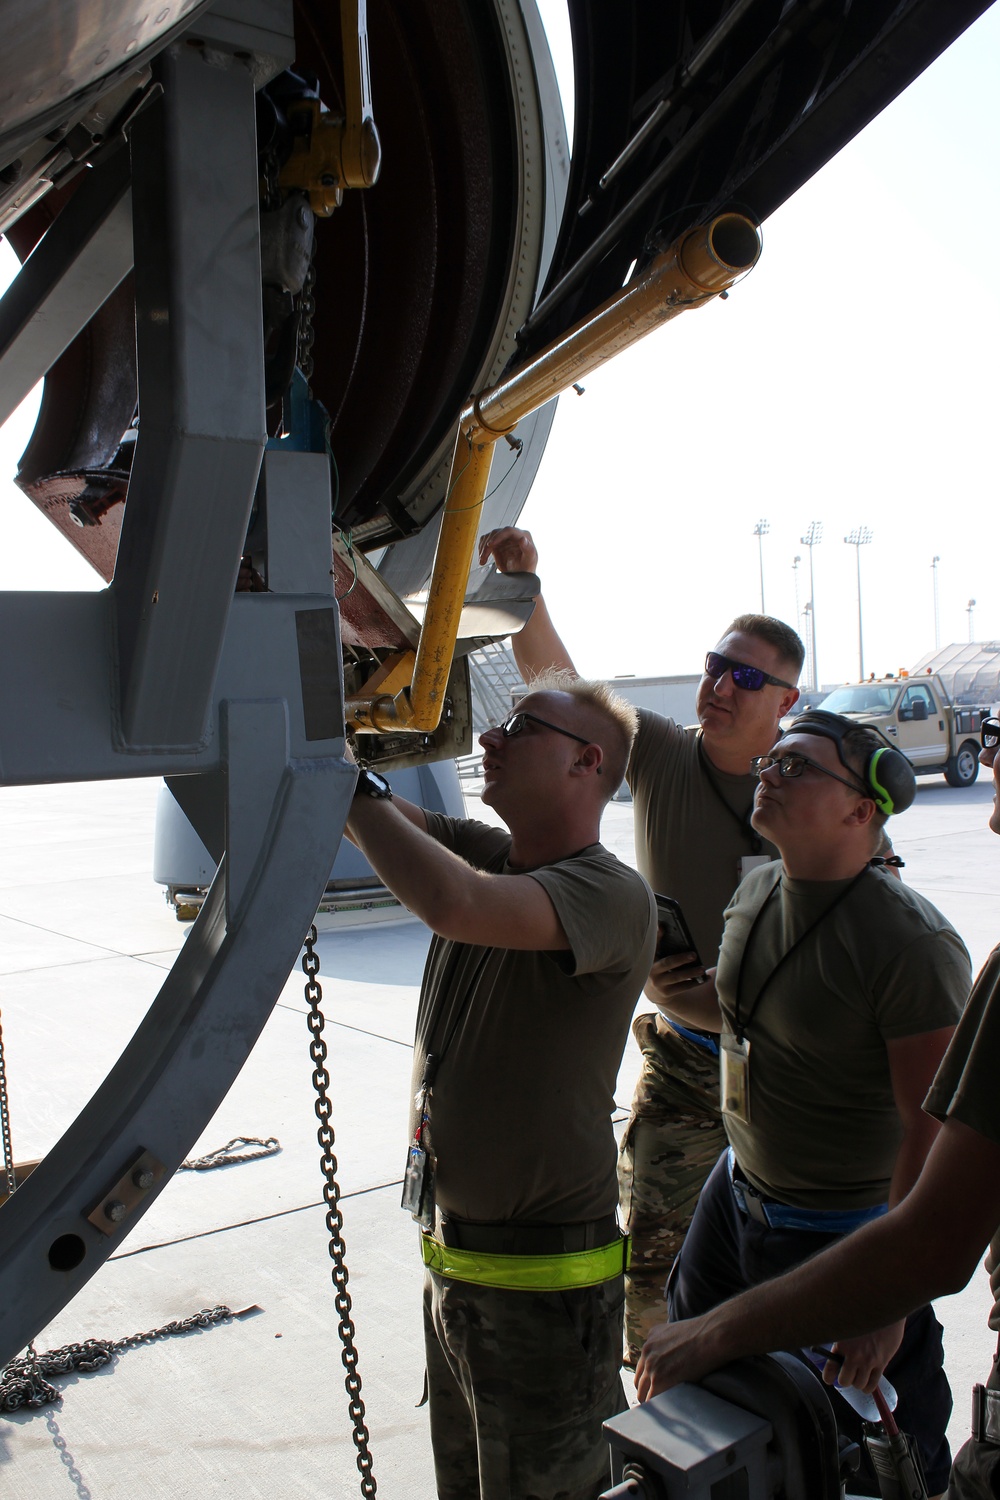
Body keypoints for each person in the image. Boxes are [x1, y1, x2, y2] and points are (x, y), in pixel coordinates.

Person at [478, 525, 803, 1363]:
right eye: (711, 665)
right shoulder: (661, 753)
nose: (717, 686)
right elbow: (565, 686)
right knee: (653, 1265)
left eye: (744, 676)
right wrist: (527, 588)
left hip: (794, 1073)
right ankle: (661, 1437)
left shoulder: (813, 788)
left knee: (790, 1270)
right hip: (690, 1063)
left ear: (785, 701)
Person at [644, 709, 971, 1497]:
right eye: (770, 762)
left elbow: (928, 1136)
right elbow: (751, 1021)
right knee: (699, 1408)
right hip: (738, 1195)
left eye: (797, 768)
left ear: (863, 811)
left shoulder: (910, 945)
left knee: (870, 1463)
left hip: (844, 1233)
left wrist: (890, 1296)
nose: (769, 774)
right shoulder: (756, 889)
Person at [345, 676, 656, 1500]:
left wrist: (335, 775)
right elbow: (387, 821)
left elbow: (452, 901)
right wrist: (325, 760)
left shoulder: (608, 893)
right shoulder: (499, 852)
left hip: (543, 1293)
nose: (490, 740)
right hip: (461, 1268)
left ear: (587, 764)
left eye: (518, 727)